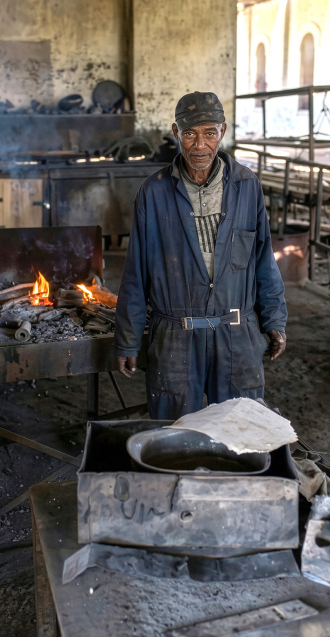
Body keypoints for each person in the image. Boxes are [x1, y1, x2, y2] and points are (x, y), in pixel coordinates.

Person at [114, 90, 287, 419]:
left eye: (209, 133)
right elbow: (135, 273)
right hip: (176, 335)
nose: (199, 145)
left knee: (241, 431)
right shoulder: (153, 192)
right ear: (176, 133)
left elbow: (264, 260)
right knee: (175, 434)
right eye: (190, 133)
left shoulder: (246, 186)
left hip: (236, 331)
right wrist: (127, 339)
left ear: (222, 132)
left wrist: (275, 320)